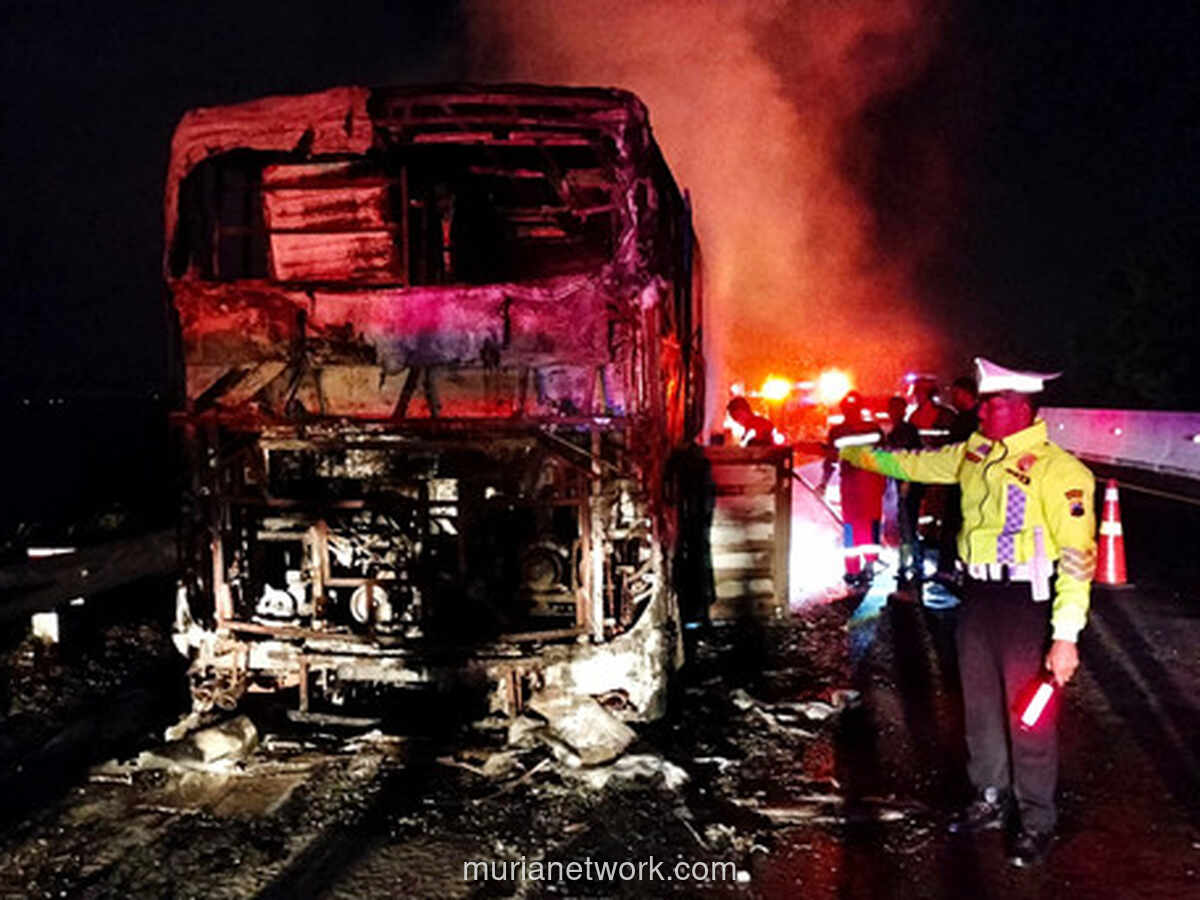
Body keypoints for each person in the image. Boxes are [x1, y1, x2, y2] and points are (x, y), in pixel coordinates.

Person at [838, 358, 1096, 868]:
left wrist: (1065, 635)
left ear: (1020, 409)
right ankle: (990, 797)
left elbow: (1076, 562)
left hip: (1028, 604)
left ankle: (1037, 820)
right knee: (978, 708)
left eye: (992, 403)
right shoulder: (975, 454)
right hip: (976, 600)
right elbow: (914, 464)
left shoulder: (1059, 472)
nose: (981, 409)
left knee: (1030, 717)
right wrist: (860, 457)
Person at [823, 391, 886, 591]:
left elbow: (831, 459)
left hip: (851, 483)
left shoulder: (838, 431)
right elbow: (886, 455)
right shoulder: (873, 428)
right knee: (871, 522)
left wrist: (824, 483)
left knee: (851, 525)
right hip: (873, 481)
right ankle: (869, 563)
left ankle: (852, 570)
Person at [936, 375, 981, 582]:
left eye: (955, 394)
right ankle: (951, 568)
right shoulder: (963, 418)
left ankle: (954, 569)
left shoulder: (973, 420)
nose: (952, 398)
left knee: (957, 524)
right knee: (952, 524)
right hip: (959, 480)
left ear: (965, 393)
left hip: (966, 482)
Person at [881, 395, 922, 590]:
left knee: (907, 524)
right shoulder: (902, 430)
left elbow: (907, 457)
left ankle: (909, 564)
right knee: (906, 524)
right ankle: (910, 563)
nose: (892, 413)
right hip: (905, 483)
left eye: (895, 409)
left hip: (908, 484)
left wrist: (906, 482)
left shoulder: (905, 431)